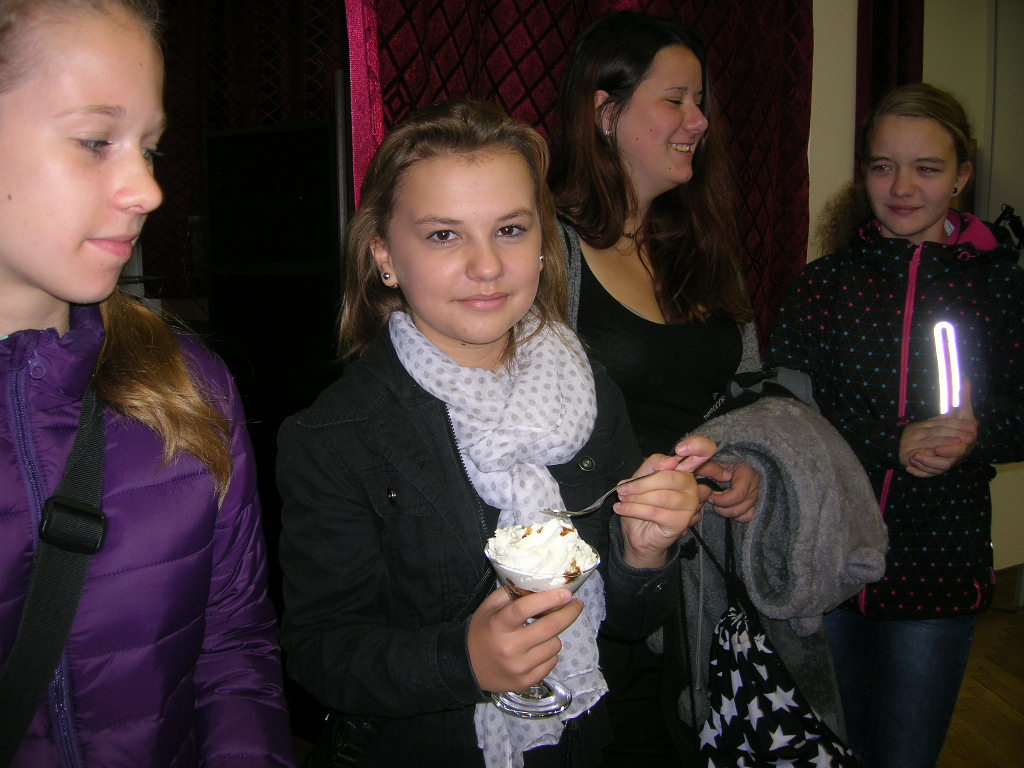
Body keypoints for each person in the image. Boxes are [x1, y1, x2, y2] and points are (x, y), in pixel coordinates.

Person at [276, 99, 721, 768]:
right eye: (443, 235)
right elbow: (320, 653)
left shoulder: (585, 387)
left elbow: (629, 624)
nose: (486, 266)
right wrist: (464, 660)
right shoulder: (336, 436)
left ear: (543, 245)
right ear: (384, 256)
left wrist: (646, 551)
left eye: (510, 229)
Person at [0, 1, 297, 765]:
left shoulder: (184, 387)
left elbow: (233, 648)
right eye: (96, 141)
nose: (148, 190)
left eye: (150, 147)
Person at [769, 82, 1024, 768]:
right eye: (884, 166)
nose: (902, 187)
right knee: (826, 751)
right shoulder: (823, 285)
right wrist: (893, 441)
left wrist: (975, 436)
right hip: (826, 567)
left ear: (962, 176)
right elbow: (785, 413)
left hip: (937, 572)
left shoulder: (1001, 287)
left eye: (927, 168)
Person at [546, 12, 763, 763]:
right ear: (605, 113)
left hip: (699, 579)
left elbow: (747, 393)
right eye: (675, 100)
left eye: (700, 102)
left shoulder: (701, 245)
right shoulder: (547, 249)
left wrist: (743, 465)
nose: (698, 121)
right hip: (595, 587)